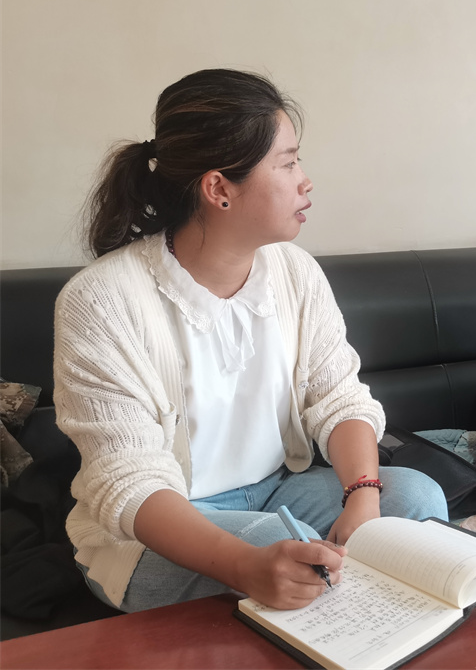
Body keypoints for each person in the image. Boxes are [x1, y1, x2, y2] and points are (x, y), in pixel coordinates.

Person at [53, 68, 447, 614]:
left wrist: (361, 494)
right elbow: (127, 480)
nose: (306, 181)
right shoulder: (100, 300)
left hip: (278, 490)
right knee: (281, 545)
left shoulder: (294, 271)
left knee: (417, 497)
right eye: (287, 163)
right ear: (219, 189)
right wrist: (247, 567)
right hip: (156, 527)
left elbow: (339, 397)